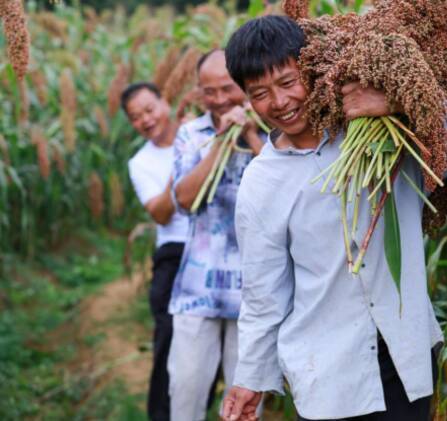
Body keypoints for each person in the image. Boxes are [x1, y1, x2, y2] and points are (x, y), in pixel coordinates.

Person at [221, 16, 447, 421]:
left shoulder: (381, 137)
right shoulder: (262, 183)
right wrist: (250, 377)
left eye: (288, 83)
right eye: (260, 93)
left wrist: (396, 102)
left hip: (404, 353)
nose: (279, 102)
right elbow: (263, 294)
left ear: (313, 70)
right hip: (327, 369)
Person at [168, 49, 264, 421]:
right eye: (209, 92)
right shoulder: (191, 135)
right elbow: (185, 199)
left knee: (244, 410)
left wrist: (252, 135)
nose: (220, 99)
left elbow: (285, 193)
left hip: (255, 297)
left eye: (228, 88)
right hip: (197, 292)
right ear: (198, 92)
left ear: (242, 83)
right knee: (186, 395)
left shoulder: (274, 131)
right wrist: (223, 142)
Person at [123, 82, 190, 421]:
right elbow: (162, 213)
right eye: (135, 118)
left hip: (221, 249)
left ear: (165, 101)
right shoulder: (141, 163)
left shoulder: (199, 130)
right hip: (174, 255)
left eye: (149, 109)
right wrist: (184, 156)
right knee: (168, 344)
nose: (145, 120)